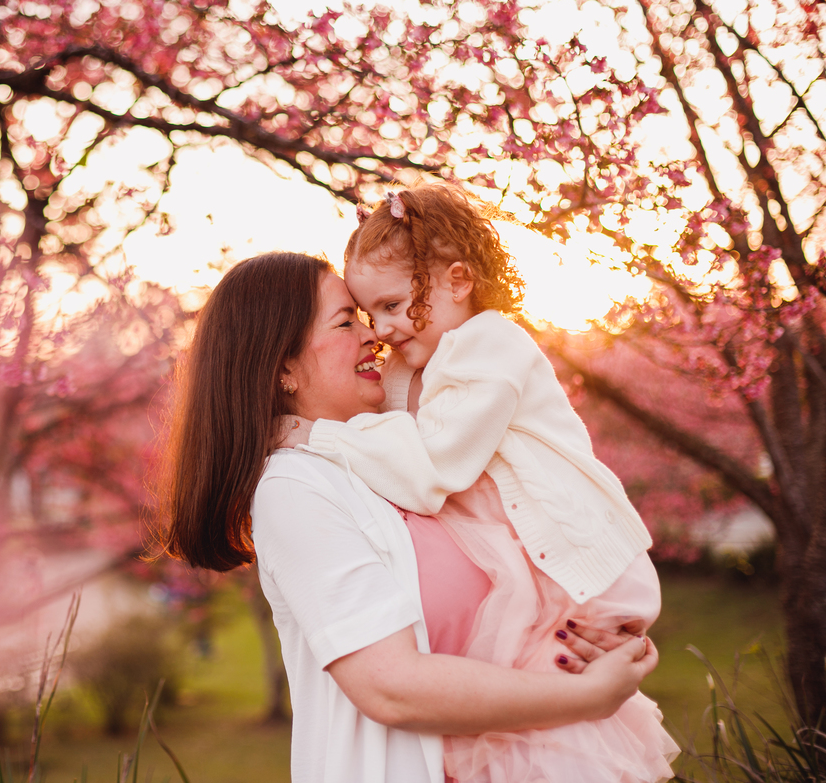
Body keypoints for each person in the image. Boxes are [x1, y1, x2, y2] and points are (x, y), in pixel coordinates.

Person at [158, 251, 660, 783]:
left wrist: (599, 634)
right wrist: (584, 695)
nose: (374, 334)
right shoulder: (294, 488)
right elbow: (390, 686)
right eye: (346, 321)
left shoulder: (401, 457)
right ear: (283, 367)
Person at [281, 184, 678, 782]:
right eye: (364, 315)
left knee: (561, 728)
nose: (382, 329)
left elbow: (431, 467)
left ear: (458, 280)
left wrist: (314, 436)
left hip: (573, 559)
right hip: (524, 560)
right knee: (526, 719)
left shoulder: (492, 346)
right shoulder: (410, 364)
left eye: (392, 305)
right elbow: (391, 444)